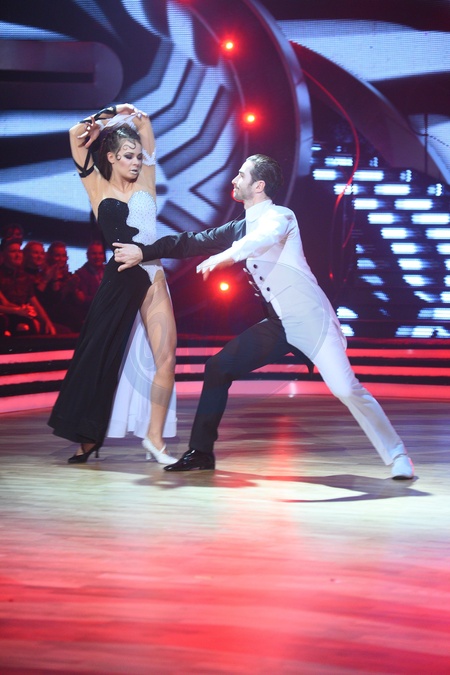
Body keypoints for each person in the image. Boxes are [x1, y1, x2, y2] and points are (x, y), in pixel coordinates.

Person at [114, 153, 415, 479]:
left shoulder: (281, 216)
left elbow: (262, 239)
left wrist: (228, 256)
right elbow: (191, 242)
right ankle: (200, 452)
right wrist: (144, 251)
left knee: (345, 389)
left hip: (311, 321)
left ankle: (398, 454)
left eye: (241, 175)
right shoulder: (239, 227)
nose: (234, 180)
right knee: (218, 367)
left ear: (258, 185)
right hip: (278, 324)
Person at [48, 103, 177, 465]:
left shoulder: (146, 178)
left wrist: (134, 117)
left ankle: (155, 440)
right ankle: (89, 437)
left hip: (152, 276)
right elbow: (74, 135)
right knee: (97, 359)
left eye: (138, 156)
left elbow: (145, 126)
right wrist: (109, 113)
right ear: (111, 157)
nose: (136, 162)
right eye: (128, 156)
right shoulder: (97, 186)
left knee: (167, 358)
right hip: (119, 279)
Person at [0, 238, 56, 336]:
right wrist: (19, 310)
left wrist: (46, 321)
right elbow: (5, 303)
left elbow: (34, 301)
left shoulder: (24, 277)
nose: (18, 255)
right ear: (3, 254)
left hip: (23, 314)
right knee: (25, 327)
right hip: (6, 317)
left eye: (19, 251)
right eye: (13, 251)